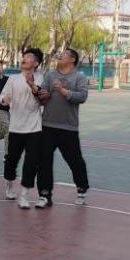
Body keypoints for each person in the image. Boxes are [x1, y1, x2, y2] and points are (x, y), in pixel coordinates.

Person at [36, 48, 89, 208]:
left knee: (75, 161)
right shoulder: (50, 75)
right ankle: (44, 195)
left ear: (72, 59)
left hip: (68, 128)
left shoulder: (79, 77)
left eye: (64, 54)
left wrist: (62, 90)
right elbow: (42, 95)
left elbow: (82, 97)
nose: (60, 55)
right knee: (44, 161)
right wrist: (42, 95)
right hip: (47, 126)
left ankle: (81, 190)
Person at [0, 48, 44, 209]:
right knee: (11, 160)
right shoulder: (13, 78)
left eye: (28, 57)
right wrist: (4, 99)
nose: (24, 59)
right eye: (23, 56)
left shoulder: (41, 78)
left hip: (34, 127)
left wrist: (32, 85)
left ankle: (24, 195)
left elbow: (42, 97)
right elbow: (2, 95)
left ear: (36, 63)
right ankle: (9, 184)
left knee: (31, 163)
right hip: (16, 127)